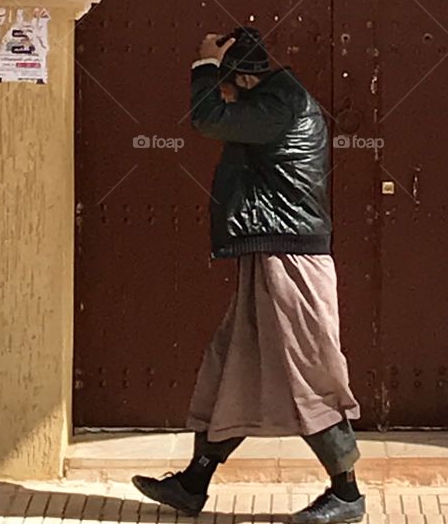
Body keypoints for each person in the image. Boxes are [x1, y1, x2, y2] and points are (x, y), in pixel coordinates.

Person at [133, 26, 366, 523]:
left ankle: (347, 494)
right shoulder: (276, 100)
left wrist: (203, 66)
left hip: (291, 259)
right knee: (233, 365)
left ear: (244, 78)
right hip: (273, 252)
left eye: (227, 82)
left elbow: (208, 118)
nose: (223, 94)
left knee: (311, 370)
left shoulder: (281, 105)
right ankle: (194, 483)